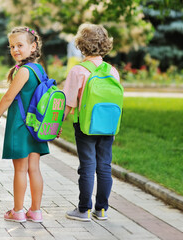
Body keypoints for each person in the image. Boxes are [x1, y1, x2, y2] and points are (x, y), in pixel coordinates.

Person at [63, 23, 120, 221]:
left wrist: (56, 124)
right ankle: (101, 209)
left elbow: (68, 102)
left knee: (87, 166)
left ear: (81, 45)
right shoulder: (112, 71)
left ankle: (83, 209)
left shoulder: (78, 71)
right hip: (108, 126)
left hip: (85, 126)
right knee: (104, 166)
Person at [0, 27, 49, 223]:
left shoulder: (24, 71)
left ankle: (17, 211)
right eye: (12, 46)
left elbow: (9, 97)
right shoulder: (39, 69)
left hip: (20, 126)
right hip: (35, 127)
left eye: (20, 45)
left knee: (20, 170)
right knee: (34, 169)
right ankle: (36, 211)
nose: (15, 49)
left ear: (33, 47)